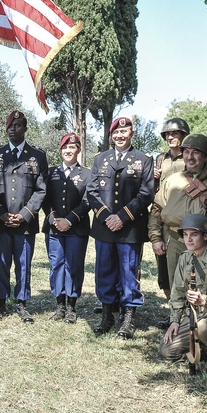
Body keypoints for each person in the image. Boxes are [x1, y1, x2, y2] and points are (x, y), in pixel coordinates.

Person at [87, 117, 154, 338]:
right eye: (116, 132)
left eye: (124, 132)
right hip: (105, 226)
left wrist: (122, 217)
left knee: (129, 272)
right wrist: (107, 216)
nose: (120, 136)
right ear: (111, 135)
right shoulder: (101, 159)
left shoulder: (143, 159)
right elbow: (92, 191)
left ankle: (128, 318)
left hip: (130, 228)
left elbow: (146, 193)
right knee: (104, 270)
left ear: (131, 133)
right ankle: (107, 315)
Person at [149, 133, 207, 298]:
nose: (190, 157)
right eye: (186, 152)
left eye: (195, 152)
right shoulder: (172, 181)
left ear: (205, 156)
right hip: (173, 239)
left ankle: (200, 321)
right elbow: (156, 211)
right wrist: (156, 238)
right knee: (175, 284)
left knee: (202, 285)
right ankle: (177, 321)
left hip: (203, 243)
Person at [0, 110, 49, 323]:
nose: (14, 129)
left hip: (25, 224)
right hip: (1, 221)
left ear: (25, 128)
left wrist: (24, 215)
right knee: (1, 263)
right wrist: (1, 214)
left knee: (23, 264)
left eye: (18, 125)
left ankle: (22, 304)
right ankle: (1, 303)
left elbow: (41, 190)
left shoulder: (37, 156)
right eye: (10, 126)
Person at [159, 214, 207, 372]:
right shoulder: (185, 258)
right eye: (186, 235)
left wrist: (205, 300)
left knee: (204, 327)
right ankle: (205, 346)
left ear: (205, 236)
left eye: (194, 234)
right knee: (167, 351)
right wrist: (175, 320)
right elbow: (178, 293)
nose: (188, 239)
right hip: (195, 316)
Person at [42, 133, 91, 324]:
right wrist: (54, 219)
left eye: (72, 147)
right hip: (54, 228)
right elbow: (44, 198)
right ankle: (59, 304)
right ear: (60, 150)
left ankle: (71, 306)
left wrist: (69, 220)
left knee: (74, 266)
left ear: (78, 150)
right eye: (65, 148)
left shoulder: (87, 174)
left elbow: (87, 201)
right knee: (56, 265)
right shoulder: (51, 173)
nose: (68, 151)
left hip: (76, 229)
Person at [152, 117, 190, 313]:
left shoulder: (191, 158)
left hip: (187, 222)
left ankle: (186, 315)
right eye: (167, 134)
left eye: (175, 133)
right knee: (164, 271)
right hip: (163, 217)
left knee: (186, 272)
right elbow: (154, 193)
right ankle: (172, 313)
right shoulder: (160, 159)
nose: (170, 137)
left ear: (184, 135)